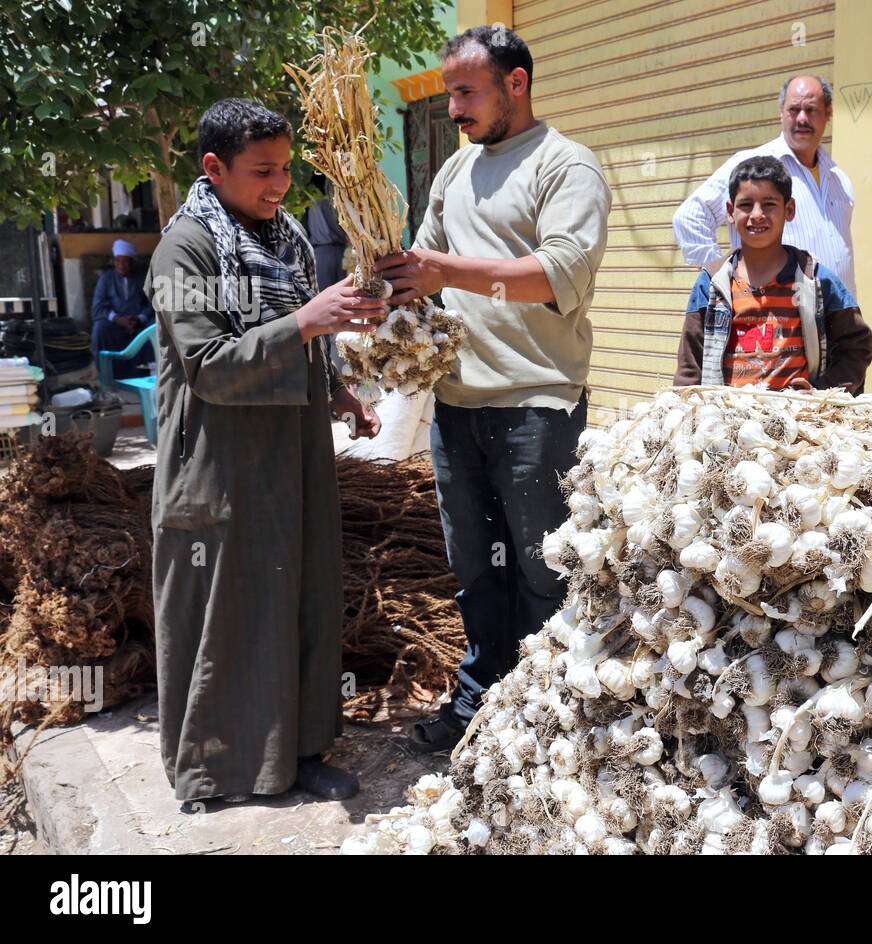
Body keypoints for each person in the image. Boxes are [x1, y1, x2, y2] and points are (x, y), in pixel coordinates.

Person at [374, 25, 611, 753]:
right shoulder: (453, 173)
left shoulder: (567, 166)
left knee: (544, 574)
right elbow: (426, 269)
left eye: (465, 90)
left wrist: (445, 269)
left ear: (516, 84)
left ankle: (550, 717)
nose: (452, 107)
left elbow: (558, 275)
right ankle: (479, 705)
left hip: (536, 404)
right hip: (458, 408)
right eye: (448, 91)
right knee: (477, 572)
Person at [147, 98, 384, 807]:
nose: (279, 185)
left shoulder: (287, 242)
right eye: (262, 171)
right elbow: (210, 365)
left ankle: (301, 752)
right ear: (213, 168)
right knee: (225, 611)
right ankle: (213, 771)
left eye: (286, 169)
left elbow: (305, 344)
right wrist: (305, 322)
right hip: (219, 465)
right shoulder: (182, 249)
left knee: (301, 597)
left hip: (294, 458)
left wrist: (339, 394)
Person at [674, 156, 872, 394]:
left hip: (797, 423)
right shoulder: (712, 283)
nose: (757, 214)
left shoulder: (815, 279)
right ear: (730, 211)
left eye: (769, 204)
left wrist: (823, 393)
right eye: (746, 205)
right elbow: (690, 366)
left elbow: (856, 346)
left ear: (789, 210)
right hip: (729, 424)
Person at [672, 74, 856, 295]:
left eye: (811, 110)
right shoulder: (752, 166)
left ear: (828, 113)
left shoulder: (839, 180)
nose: (802, 119)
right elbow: (689, 217)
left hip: (837, 320)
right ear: (781, 112)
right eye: (794, 110)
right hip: (775, 321)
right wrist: (727, 281)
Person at [91, 239, 155, 374]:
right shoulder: (106, 279)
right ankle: (106, 373)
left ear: (132, 262)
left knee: (154, 326)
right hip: (115, 324)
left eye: (125, 261)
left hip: (137, 324)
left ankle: (147, 372)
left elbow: (152, 303)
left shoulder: (142, 278)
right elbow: (98, 307)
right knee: (100, 328)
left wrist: (139, 318)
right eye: (118, 261)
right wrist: (118, 319)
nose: (121, 265)